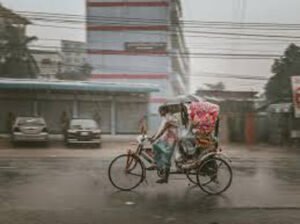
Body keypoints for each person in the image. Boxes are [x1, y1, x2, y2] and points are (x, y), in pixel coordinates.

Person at [150, 105, 179, 184]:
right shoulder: (165, 118)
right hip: (167, 138)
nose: (159, 113)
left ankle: (165, 177)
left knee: (166, 157)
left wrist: (155, 138)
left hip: (171, 140)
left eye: (160, 111)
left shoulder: (169, 118)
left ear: (164, 111)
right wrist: (153, 136)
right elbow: (160, 129)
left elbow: (163, 130)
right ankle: (158, 165)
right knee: (156, 145)